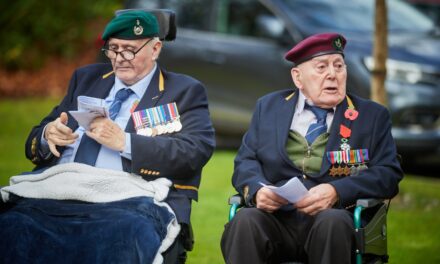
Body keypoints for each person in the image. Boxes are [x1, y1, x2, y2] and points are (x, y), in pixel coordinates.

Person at [0, 10, 215, 263]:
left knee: (123, 235)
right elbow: (37, 139)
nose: (119, 58)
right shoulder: (86, 79)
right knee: (12, 224)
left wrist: (125, 142)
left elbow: (195, 150)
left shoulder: (183, 91)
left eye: (129, 49)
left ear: (155, 49)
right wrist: (49, 135)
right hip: (57, 192)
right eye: (113, 49)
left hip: (128, 200)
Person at [220, 33, 403, 264]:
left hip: (334, 221)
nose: (332, 75)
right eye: (321, 67)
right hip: (277, 220)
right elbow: (245, 162)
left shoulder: (371, 116)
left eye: (339, 66)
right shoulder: (268, 107)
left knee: (333, 222)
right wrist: (258, 191)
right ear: (298, 77)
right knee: (245, 220)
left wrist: (337, 191)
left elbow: (388, 173)